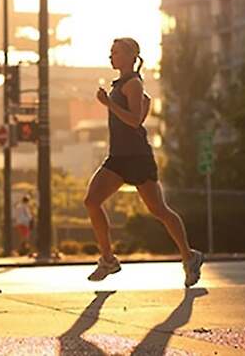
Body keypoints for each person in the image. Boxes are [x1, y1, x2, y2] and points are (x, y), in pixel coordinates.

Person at [84, 37, 203, 288]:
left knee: (159, 210)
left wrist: (108, 104)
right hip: (118, 156)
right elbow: (145, 105)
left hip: (137, 157)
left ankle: (189, 256)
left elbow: (136, 120)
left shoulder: (133, 84)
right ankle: (108, 259)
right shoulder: (125, 84)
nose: (111, 56)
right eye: (111, 52)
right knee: (92, 200)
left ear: (130, 56)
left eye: (116, 52)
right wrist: (117, 104)